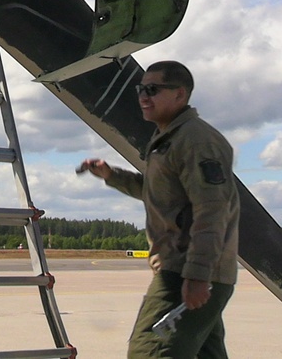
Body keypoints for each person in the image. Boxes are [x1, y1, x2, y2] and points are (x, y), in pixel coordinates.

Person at [77, 60, 240, 358]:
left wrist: (198, 276)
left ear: (180, 94)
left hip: (183, 272)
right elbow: (160, 195)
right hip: (187, 271)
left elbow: (213, 209)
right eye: (141, 89)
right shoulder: (170, 138)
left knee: (149, 352)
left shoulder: (196, 140)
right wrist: (112, 175)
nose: (143, 96)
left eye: (152, 89)